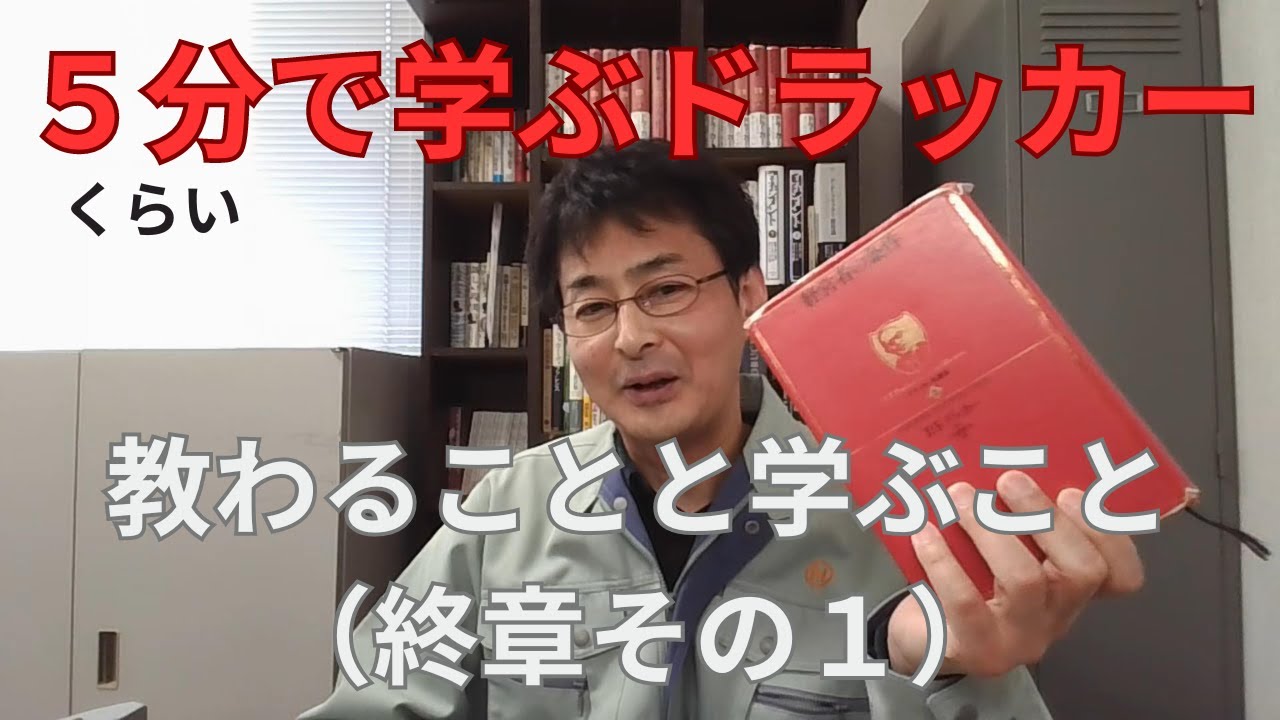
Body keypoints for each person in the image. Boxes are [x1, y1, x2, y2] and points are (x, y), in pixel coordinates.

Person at [299, 139, 1148, 719]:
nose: (631, 338)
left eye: (666, 289)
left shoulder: (882, 507)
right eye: (593, 307)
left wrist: (950, 668)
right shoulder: (510, 509)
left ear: (749, 296)